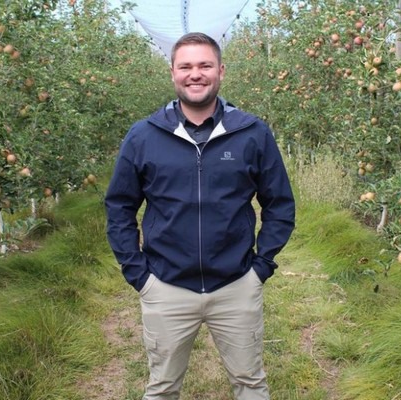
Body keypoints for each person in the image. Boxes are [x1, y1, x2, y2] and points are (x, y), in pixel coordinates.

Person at [105, 32, 295, 400]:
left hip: (236, 285)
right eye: (186, 66)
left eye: (205, 65)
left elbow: (280, 204)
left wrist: (261, 267)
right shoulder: (144, 136)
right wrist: (138, 274)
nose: (196, 74)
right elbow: (119, 207)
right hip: (166, 285)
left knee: (251, 383)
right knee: (162, 388)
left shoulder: (251, 133)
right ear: (173, 73)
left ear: (220, 71)